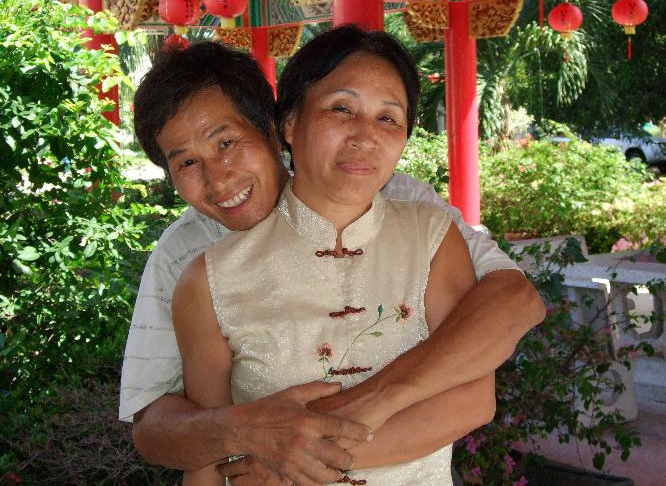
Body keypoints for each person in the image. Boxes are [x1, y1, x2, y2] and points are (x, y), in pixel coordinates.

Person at [121, 37, 545, 485]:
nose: (218, 178)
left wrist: (326, 437)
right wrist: (246, 434)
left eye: (226, 142)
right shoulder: (189, 261)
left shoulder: (417, 218)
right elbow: (154, 426)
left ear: (272, 127)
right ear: (291, 121)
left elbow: (513, 303)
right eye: (187, 163)